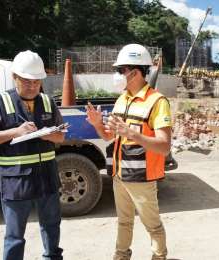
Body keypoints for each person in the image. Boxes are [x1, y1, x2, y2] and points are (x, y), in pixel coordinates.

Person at [86, 44, 171, 260]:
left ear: (136, 71)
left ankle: (159, 256)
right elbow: (110, 137)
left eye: (120, 70)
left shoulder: (157, 101)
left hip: (142, 177)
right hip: (118, 174)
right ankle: (121, 255)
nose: (118, 75)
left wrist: (132, 134)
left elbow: (164, 145)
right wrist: (97, 125)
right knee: (124, 221)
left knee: (152, 225)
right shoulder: (121, 99)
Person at [0, 50, 64, 260]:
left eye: (36, 82)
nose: (33, 86)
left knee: (52, 227)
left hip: (47, 178)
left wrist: (49, 135)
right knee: (15, 236)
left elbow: (61, 137)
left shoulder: (47, 101)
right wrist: (15, 132)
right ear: (14, 77)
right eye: (27, 81)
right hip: (16, 180)